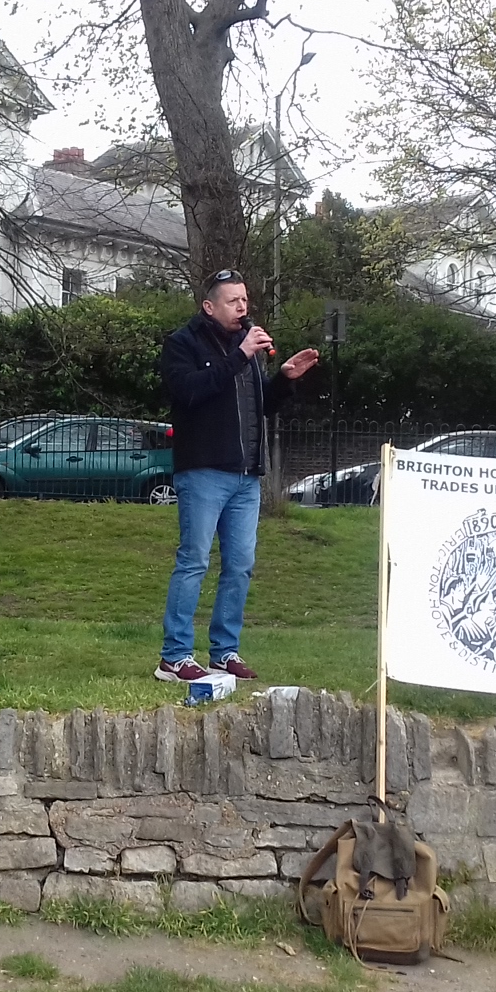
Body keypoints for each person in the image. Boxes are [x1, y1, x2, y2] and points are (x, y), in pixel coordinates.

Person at [155, 269, 319, 683]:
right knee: (194, 561)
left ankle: (224, 652)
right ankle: (174, 657)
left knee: (241, 564)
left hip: (246, 476)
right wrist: (239, 356)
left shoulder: (246, 348)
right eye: (233, 301)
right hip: (204, 471)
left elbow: (258, 406)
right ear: (209, 306)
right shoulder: (183, 343)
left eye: (245, 299)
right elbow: (190, 391)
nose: (242, 307)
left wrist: (284, 380)